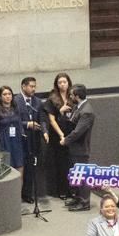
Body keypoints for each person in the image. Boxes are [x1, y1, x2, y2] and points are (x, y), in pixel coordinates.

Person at [62, 85, 97, 210]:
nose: (70, 97)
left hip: (81, 149)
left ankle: (84, 202)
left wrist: (65, 140)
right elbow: (72, 121)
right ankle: (78, 198)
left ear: (77, 96)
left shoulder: (86, 111)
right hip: (75, 148)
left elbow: (78, 132)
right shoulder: (78, 107)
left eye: (71, 95)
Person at [15, 77, 48, 210]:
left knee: (31, 168)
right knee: (21, 168)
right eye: (31, 86)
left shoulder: (38, 102)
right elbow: (14, 120)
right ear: (23, 86)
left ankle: (28, 194)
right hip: (20, 140)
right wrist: (27, 124)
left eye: (35, 86)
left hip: (34, 140)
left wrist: (44, 131)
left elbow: (42, 119)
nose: (33, 89)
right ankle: (18, 195)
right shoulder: (15, 101)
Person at [44, 72, 75, 203]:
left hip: (72, 133)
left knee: (72, 163)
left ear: (69, 83)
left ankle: (72, 189)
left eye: (64, 82)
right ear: (56, 84)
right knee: (61, 164)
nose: (62, 84)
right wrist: (61, 134)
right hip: (58, 134)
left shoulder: (73, 96)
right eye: (60, 82)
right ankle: (62, 190)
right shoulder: (52, 98)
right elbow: (51, 120)